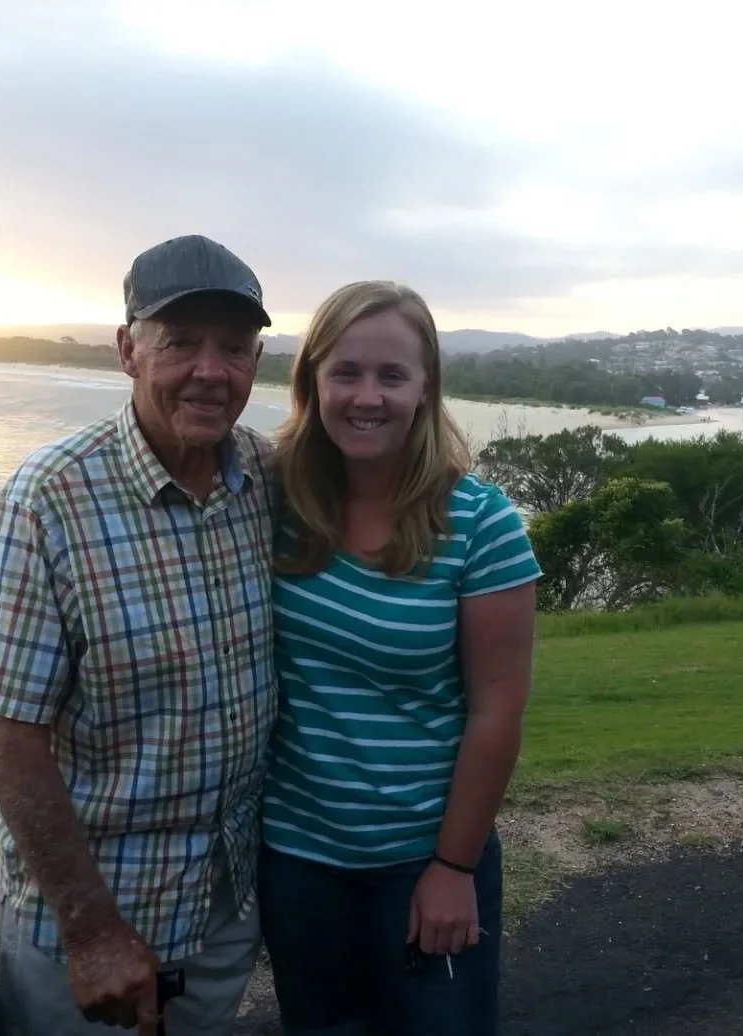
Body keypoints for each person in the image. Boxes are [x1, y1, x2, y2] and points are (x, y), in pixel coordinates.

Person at [0, 235, 281, 1036]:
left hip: (223, 905)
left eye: (233, 348)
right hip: (90, 924)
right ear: (128, 350)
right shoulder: (49, 498)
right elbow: (11, 736)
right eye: (181, 343)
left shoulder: (264, 479)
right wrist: (91, 932)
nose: (210, 369)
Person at [258, 280, 542, 1035]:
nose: (366, 396)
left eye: (391, 375)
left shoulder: (480, 523)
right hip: (296, 858)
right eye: (344, 372)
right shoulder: (272, 499)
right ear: (311, 381)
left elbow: (496, 709)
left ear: (424, 389)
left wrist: (452, 869)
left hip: (423, 858)